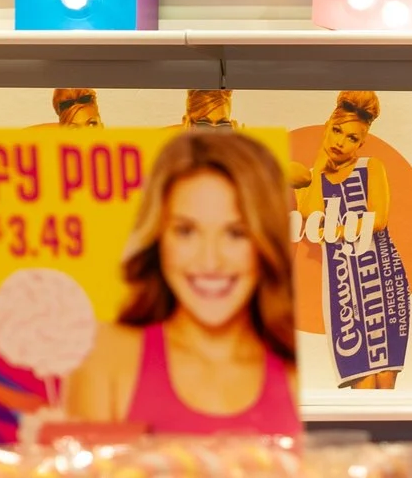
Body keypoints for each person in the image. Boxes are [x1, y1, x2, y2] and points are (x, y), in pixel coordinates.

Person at [66, 129, 301, 435]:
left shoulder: (292, 368)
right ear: (158, 237)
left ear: (265, 242)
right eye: (186, 231)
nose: (210, 262)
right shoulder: (106, 357)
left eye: (236, 233)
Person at [287, 91, 411, 390]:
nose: (340, 142)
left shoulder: (371, 167)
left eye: (352, 137)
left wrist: (334, 228)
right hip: (343, 283)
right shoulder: (309, 179)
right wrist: (319, 165)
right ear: (326, 128)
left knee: (386, 378)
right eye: (336, 131)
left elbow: (377, 221)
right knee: (362, 379)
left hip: (382, 277)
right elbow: (312, 217)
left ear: (361, 143)